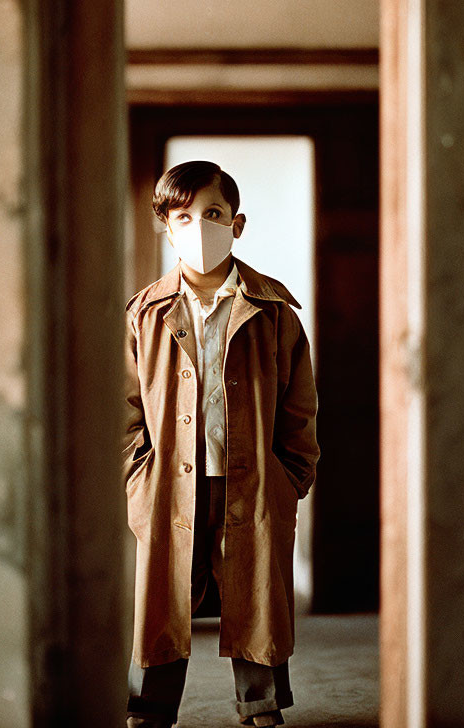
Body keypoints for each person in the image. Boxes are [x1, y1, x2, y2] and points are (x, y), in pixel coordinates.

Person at [123, 160, 320, 727]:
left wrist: (291, 476)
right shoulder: (145, 314)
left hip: (254, 480)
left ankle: (261, 706)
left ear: (237, 224)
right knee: (163, 599)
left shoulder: (273, 310)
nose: (199, 227)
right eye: (183, 216)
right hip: (168, 485)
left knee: (257, 594)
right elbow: (124, 406)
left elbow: (299, 406)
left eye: (212, 214)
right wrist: (136, 478)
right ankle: (149, 708)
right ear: (167, 227)